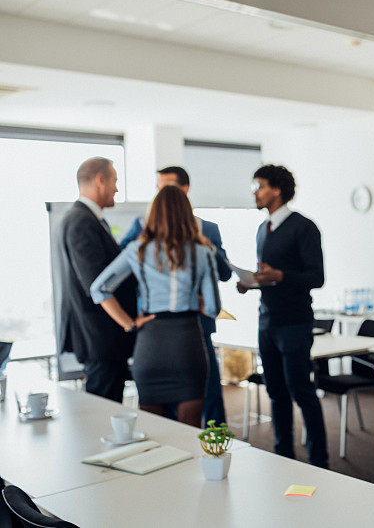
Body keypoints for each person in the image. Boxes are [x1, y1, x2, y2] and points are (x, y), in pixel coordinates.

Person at [90, 185, 220, 427]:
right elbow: (213, 308)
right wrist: (195, 299)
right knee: (189, 432)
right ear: (186, 213)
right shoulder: (203, 252)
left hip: (151, 346)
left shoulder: (136, 250)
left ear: (154, 214)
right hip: (187, 345)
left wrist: (129, 323)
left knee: (153, 434)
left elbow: (98, 289)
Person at [121, 166, 232, 427]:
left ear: (185, 189)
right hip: (154, 325)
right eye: (159, 187)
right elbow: (123, 263)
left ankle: (217, 447)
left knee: (211, 397)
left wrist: (207, 250)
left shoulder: (208, 230)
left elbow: (225, 273)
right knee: (170, 418)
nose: (163, 192)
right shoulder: (141, 229)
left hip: (197, 327)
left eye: (168, 186)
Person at [237, 164, 328, 468]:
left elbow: (317, 277)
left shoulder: (304, 227)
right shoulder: (263, 229)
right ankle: (283, 455)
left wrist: (280, 275)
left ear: (276, 190)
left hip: (294, 321)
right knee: (275, 391)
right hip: (267, 320)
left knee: (301, 390)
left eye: (258, 186)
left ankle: (319, 459)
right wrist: (251, 281)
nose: (255, 193)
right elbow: (269, 275)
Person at [54, 157, 138, 402]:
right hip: (100, 339)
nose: (116, 189)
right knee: (105, 411)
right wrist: (128, 323)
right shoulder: (80, 221)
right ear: (100, 180)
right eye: (114, 181)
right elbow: (98, 285)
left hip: (102, 339)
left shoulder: (83, 218)